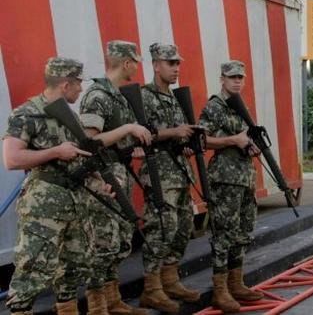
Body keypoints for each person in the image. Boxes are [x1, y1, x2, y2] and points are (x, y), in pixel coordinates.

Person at [3, 58, 98, 315]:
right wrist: (55, 151)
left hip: (73, 202)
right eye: (78, 84)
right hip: (42, 206)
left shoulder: (70, 116)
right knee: (33, 271)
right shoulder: (27, 113)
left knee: (74, 267)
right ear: (66, 84)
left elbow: (80, 155)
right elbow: (11, 159)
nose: (80, 90)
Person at [80, 41, 153, 315]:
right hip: (101, 181)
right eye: (134, 61)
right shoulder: (97, 95)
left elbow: (111, 141)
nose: (136, 66)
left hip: (118, 175)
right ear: (125, 63)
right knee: (101, 244)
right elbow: (90, 142)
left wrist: (129, 148)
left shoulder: (117, 96)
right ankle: (98, 307)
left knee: (118, 241)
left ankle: (113, 301)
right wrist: (129, 127)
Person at [198, 60, 265, 312]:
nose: (237, 81)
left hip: (244, 177)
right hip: (225, 179)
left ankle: (236, 283)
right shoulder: (215, 106)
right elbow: (202, 140)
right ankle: (220, 290)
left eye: (240, 77)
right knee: (224, 234)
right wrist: (232, 140)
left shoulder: (240, 106)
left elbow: (244, 138)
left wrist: (250, 144)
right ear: (222, 79)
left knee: (244, 231)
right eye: (232, 77)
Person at [139, 43, 200, 313]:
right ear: (155, 65)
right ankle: (151, 289)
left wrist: (184, 142)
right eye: (170, 63)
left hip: (179, 170)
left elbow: (177, 135)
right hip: (159, 174)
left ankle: (170, 279)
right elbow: (139, 135)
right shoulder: (143, 97)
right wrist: (174, 132)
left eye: (178, 63)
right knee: (161, 229)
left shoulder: (174, 97)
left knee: (184, 226)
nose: (176, 68)